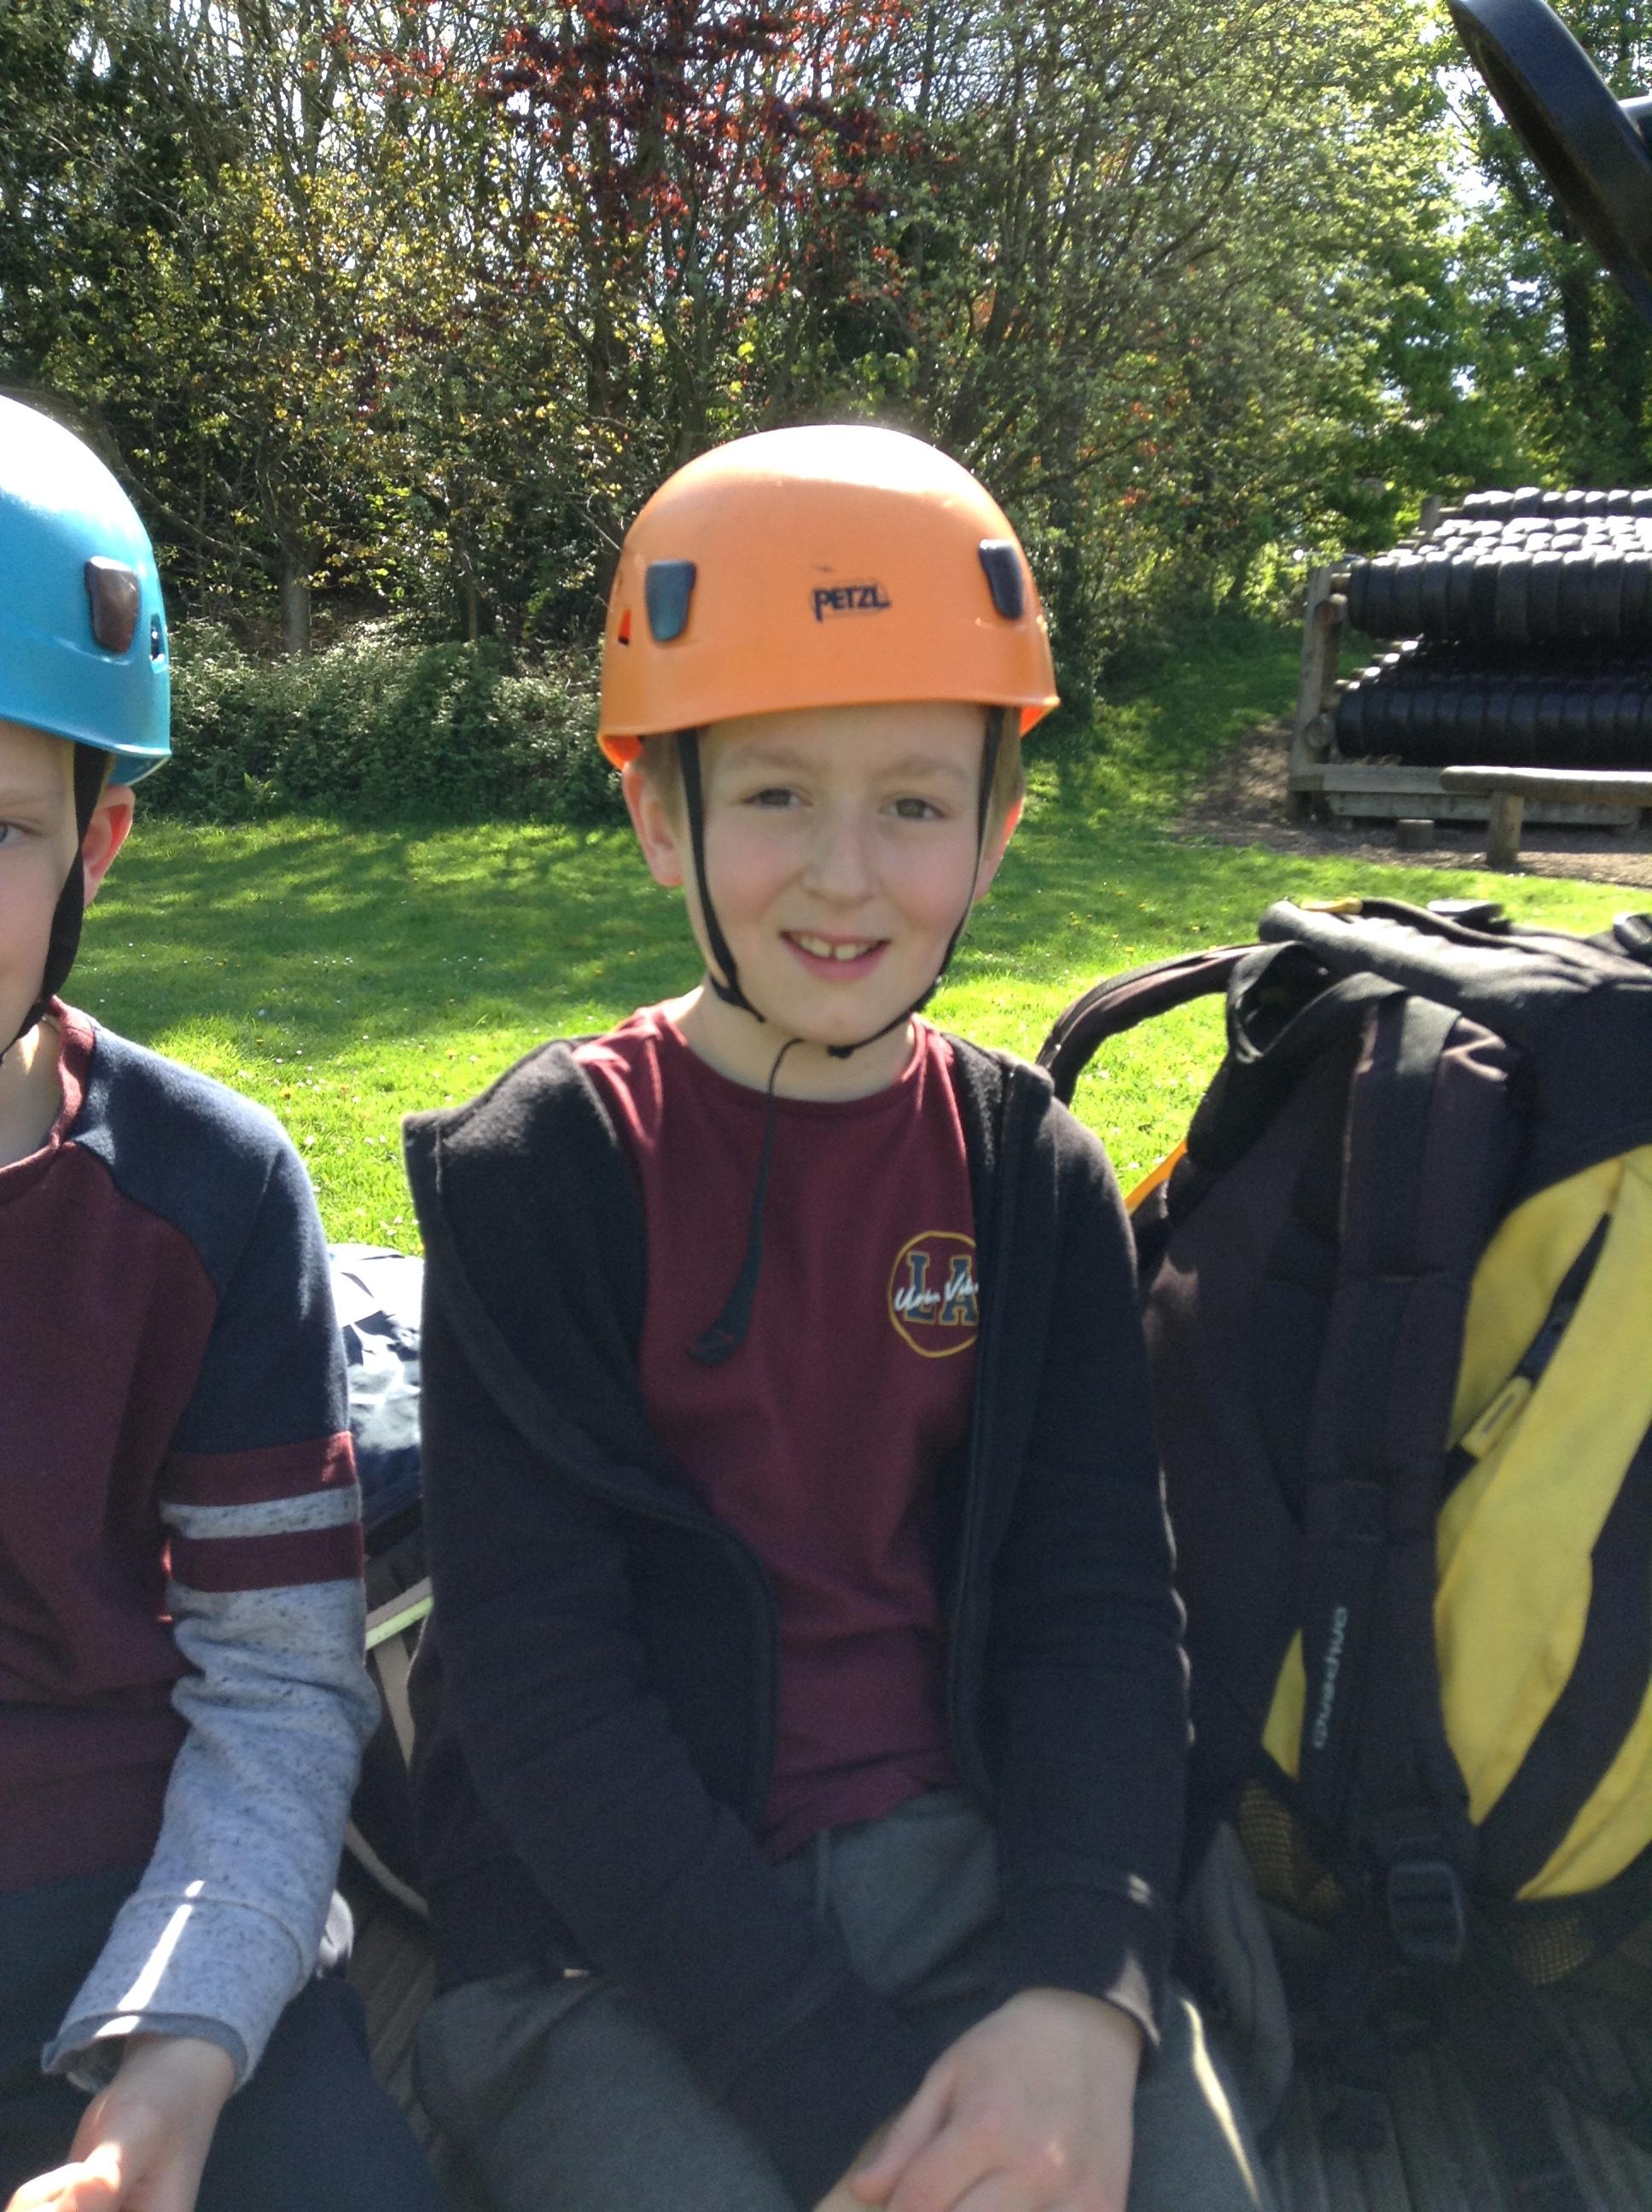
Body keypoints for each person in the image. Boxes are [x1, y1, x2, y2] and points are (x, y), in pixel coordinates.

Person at [404, 423, 1272, 2212]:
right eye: (777, 795)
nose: (845, 875)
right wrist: (850, 2107)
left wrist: (1083, 1991)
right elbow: (540, 1693)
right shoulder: (542, 1174)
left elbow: (1103, 1609)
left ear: (998, 829)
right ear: (662, 816)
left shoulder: (1027, 1173)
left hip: (981, 1884)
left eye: (913, 805)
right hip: (602, 1950)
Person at [0, 395, 439, 2212]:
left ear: (98, 843)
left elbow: (275, 1690)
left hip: (145, 1886)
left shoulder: (210, 1192)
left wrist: (171, 2074)